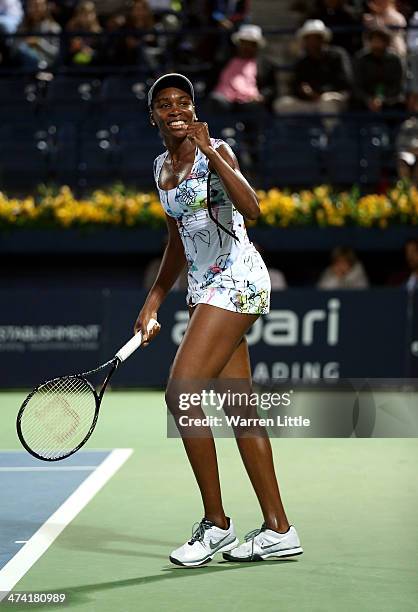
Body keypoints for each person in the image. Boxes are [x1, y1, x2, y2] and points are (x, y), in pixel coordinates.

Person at [134, 73, 303, 566]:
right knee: (239, 409)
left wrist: (210, 153)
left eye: (183, 101)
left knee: (180, 391)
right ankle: (279, 529)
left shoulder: (220, 151)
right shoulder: (161, 167)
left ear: (194, 108)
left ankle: (217, 524)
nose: (175, 109)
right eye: (164, 104)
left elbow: (253, 209)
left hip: (239, 278)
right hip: (204, 288)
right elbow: (176, 241)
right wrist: (154, 299)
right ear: (154, 117)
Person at [274, 19, 352, 126]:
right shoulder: (302, 62)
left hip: (335, 99)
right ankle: (295, 138)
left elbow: (344, 81)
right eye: (309, 39)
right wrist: (304, 91)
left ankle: (333, 139)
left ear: (323, 39)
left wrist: (319, 92)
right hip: (310, 102)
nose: (313, 42)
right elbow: (296, 85)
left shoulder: (337, 55)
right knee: (282, 105)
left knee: (326, 102)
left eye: (316, 38)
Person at [353, 26, 404, 112]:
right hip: (365, 100)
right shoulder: (361, 59)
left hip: (390, 100)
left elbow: (397, 85)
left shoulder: (395, 60)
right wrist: (368, 99)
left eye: (380, 41)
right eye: (374, 41)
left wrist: (382, 99)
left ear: (386, 43)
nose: (377, 44)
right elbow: (357, 85)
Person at [17, 0, 62, 68]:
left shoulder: (53, 27)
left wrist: (38, 42)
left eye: (38, 5)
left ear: (45, 7)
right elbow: (14, 50)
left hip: (45, 65)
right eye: (32, 5)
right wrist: (25, 43)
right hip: (22, 65)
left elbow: (56, 53)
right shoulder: (22, 26)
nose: (35, 9)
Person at [397, 93, 418, 184]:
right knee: (402, 160)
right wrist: (410, 150)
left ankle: (415, 189)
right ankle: (407, 189)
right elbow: (400, 144)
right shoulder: (406, 122)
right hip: (408, 152)